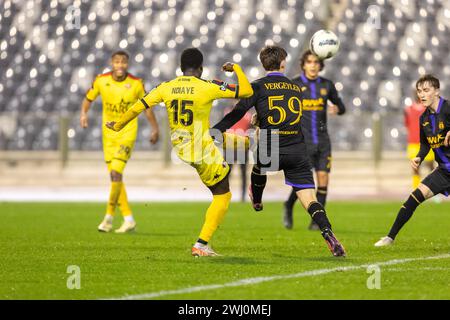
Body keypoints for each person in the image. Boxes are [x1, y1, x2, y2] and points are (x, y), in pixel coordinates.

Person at [105, 48, 253, 256]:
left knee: (215, 137)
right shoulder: (207, 86)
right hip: (201, 150)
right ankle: (201, 245)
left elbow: (139, 106)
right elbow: (246, 91)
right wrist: (235, 68)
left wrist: (119, 124)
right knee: (223, 195)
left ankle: (250, 143)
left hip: (183, 146)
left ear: (181, 68)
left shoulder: (167, 87)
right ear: (200, 69)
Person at [213, 45, 346, 257]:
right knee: (310, 200)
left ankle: (256, 198)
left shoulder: (257, 86)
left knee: (259, 167)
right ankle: (328, 232)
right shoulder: (296, 88)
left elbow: (238, 113)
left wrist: (216, 131)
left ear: (263, 64)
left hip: (271, 143)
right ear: (283, 63)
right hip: (297, 149)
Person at [80, 50, 159, 233]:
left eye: (123, 62)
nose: (120, 65)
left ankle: (108, 217)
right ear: (112, 63)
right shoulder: (101, 80)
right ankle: (129, 219)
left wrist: (154, 128)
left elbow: (147, 109)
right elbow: (88, 99)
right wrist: (83, 114)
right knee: (116, 178)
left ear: (127, 64)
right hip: (108, 136)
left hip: (127, 133)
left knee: (116, 173)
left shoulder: (136, 84)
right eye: (117, 62)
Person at [375, 75, 450, 247]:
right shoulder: (423, 118)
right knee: (414, 198)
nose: (422, 94)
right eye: (419, 91)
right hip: (444, 171)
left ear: (437, 91)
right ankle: (389, 238)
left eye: (426, 90)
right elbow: (425, 144)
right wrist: (419, 157)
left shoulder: (448, 108)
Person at [283, 50, 346, 230]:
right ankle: (288, 205)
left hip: (323, 141)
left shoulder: (327, 85)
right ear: (303, 64)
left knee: (323, 178)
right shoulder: (294, 85)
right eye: (309, 62)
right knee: (304, 183)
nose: (313, 65)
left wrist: (337, 109)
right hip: (303, 143)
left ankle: (316, 222)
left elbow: (342, 107)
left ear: (320, 65)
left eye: (316, 62)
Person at [404, 94, 435, 189]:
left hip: (427, 142)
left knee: (430, 167)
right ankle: (416, 191)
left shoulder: (428, 108)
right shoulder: (408, 109)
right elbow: (407, 125)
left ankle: (434, 190)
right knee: (415, 168)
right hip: (413, 143)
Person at [223, 103, 252, 202]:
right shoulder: (227, 111)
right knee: (226, 173)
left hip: (242, 146)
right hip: (230, 145)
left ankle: (243, 196)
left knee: (243, 173)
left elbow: (251, 129)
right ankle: (224, 194)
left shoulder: (248, 114)